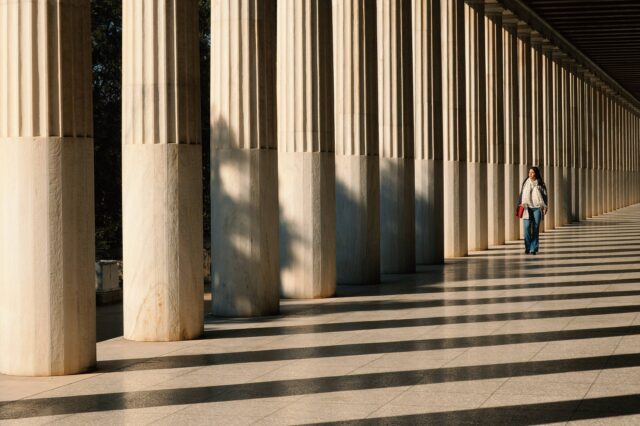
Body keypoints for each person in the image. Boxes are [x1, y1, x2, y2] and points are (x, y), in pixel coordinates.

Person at [517, 166, 548, 255]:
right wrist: (519, 204)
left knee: (535, 228)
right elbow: (521, 194)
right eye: (529, 172)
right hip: (526, 207)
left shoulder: (541, 184)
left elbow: (545, 196)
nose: (530, 174)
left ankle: (533, 248)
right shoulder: (525, 183)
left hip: (537, 208)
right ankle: (527, 247)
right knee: (526, 228)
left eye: (532, 172)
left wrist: (546, 206)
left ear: (536, 173)